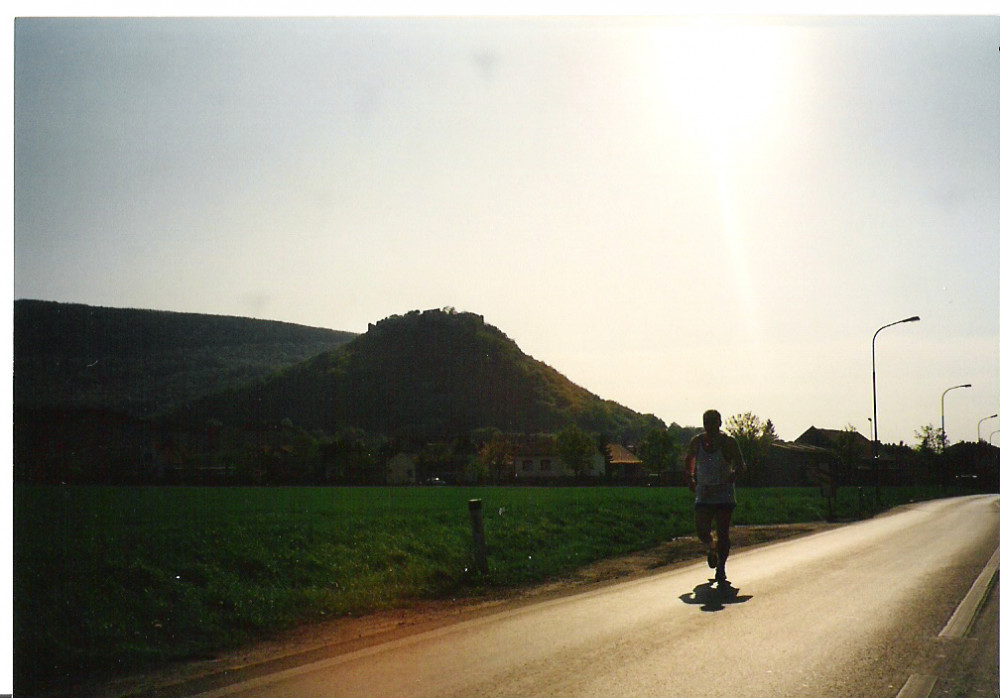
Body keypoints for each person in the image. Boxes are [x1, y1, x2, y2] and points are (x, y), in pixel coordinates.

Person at [685, 409, 746, 584]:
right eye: (707, 422)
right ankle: (712, 548)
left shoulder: (729, 442)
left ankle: (721, 568)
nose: (710, 426)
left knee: (723, 532)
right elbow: (689, 460)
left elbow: (741, 465)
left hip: (723, 494)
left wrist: (734, 474)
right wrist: (690, 478)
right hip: (704, 493)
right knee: (702, 530)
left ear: (720, 423)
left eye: (713, 422)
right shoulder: (696, 442)